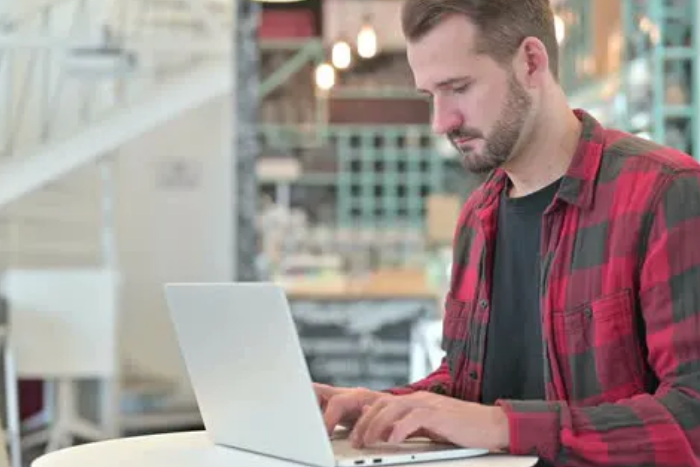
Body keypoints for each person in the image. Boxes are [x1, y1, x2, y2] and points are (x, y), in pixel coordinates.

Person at [313, 0, 700, 466]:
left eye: (458, 87)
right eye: (430, 95)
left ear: (531, 62)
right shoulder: (478, 217)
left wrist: (502, 425)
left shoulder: (666, 195)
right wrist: (380, 408)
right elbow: (469, 385)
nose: (441, 122)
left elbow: (691, 415)